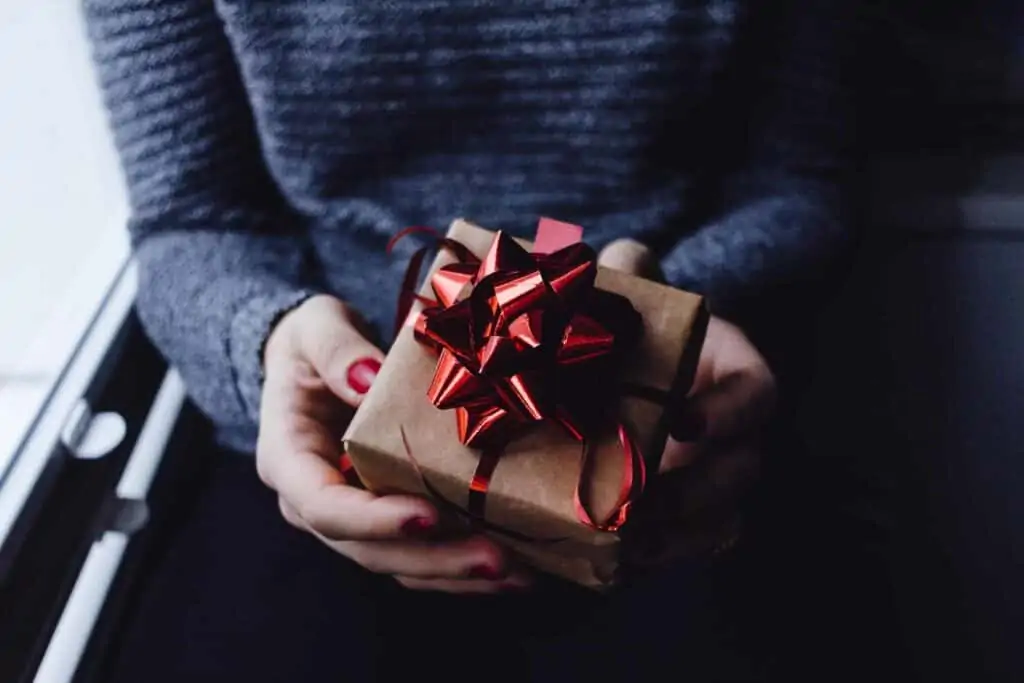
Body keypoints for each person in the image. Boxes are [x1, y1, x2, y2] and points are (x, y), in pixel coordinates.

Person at [84, 0, 859, 680]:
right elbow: (190, 218)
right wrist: (266, 337)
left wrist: (671, 317)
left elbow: (796, 184)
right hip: (334, 434)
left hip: (663, 436)